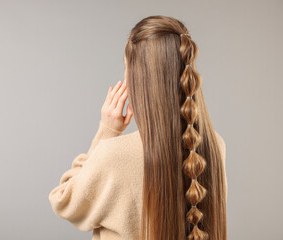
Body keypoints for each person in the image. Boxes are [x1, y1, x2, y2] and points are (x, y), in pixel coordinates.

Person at [49, 15, 227, 240]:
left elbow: (63, 200)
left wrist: (107, 132)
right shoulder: (214, 146)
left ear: (137, 77)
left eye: (126, 67)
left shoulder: (113, 155)